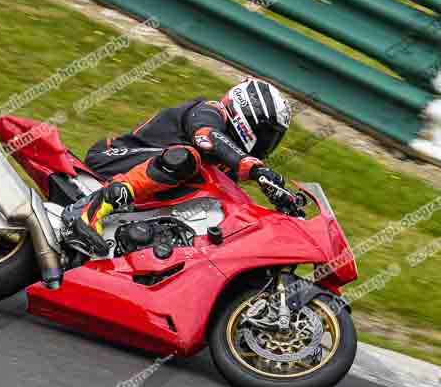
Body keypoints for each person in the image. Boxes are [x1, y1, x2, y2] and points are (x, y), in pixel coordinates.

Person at [73, 77, 292, 255]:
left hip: (148, 191)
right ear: (247, 115)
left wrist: (280, 206)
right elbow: (207, 137)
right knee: (187, 158)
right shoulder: (208, 111)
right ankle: (94, 208)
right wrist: (253, 167)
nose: (267, 144)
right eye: (267, 134)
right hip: (112, 160)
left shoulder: (229, 165)